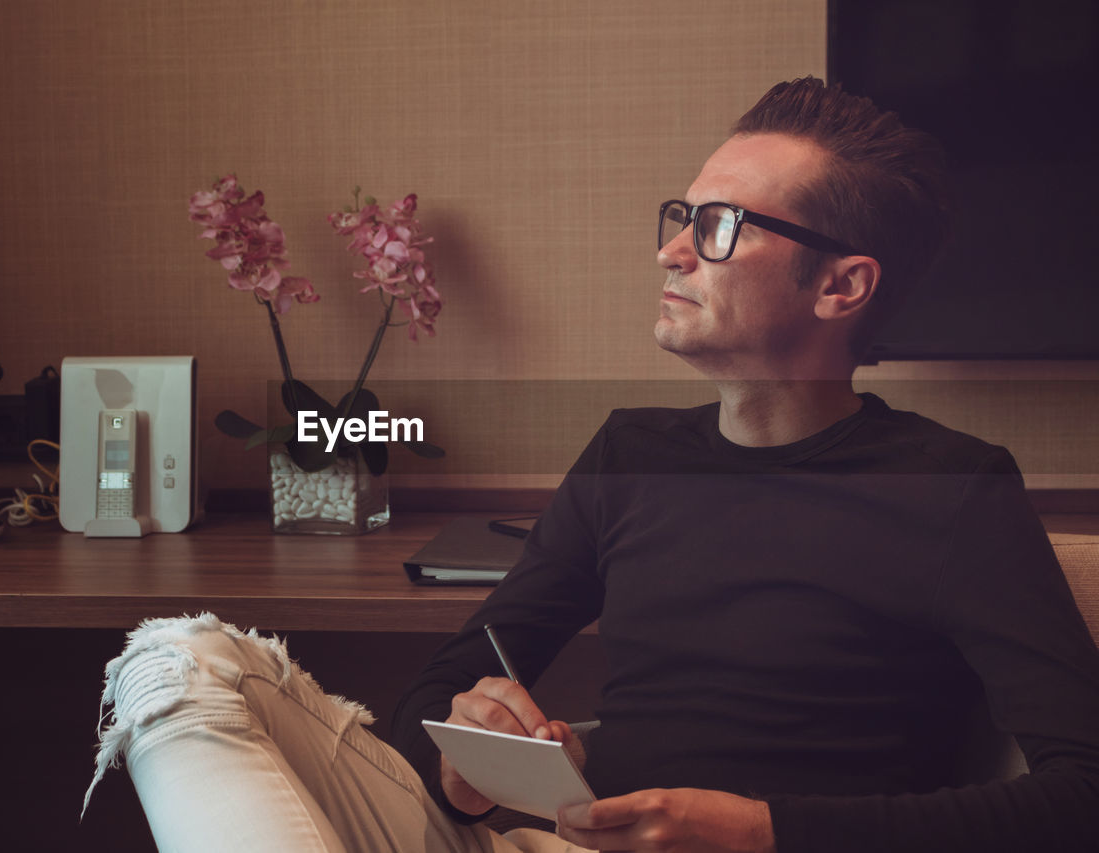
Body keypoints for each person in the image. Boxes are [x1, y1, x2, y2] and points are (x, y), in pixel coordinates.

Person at [83, 78, 1099, 852]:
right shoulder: (630, 455)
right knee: (176, 657)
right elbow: (436, 691)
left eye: (720, 228)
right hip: (548, 837)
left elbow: (1079, 792)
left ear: (840, 285)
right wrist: (471, 750)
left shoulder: (951, 488)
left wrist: (761, 827)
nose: (670, 253)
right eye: (682, 215)